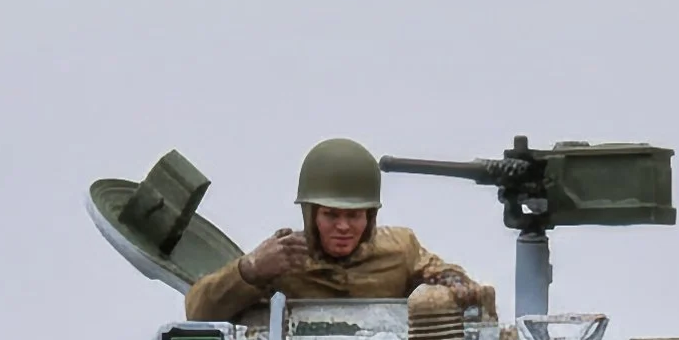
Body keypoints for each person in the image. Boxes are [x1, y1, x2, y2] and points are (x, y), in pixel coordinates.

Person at [183, 138, 479, 322]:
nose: (343, 227)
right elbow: (198, 311)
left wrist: (453, 283)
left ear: (370, 216)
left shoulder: (400, 248)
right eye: (330, 215)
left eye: (354, 215)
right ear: (311, 215)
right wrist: (250, 270)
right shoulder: (281, 260)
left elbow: (446, 274)